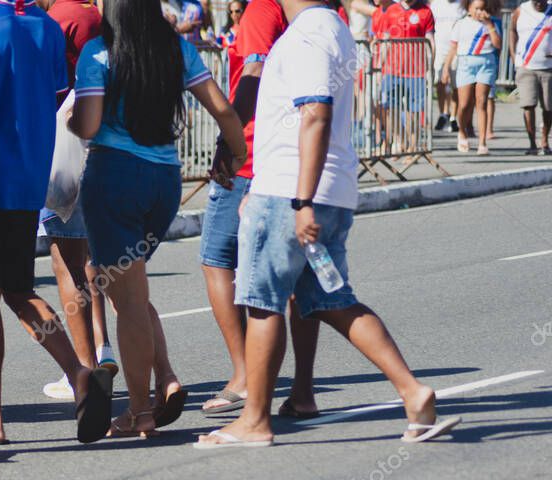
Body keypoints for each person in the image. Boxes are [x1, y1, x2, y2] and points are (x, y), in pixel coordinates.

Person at [197, 0, 460, 448]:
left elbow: (314, 114)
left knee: (263, 302)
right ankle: (413, 392)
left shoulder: (308, 33)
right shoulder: (329, 27)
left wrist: (300, 200)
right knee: (332, 301)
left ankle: (254, 420)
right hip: (316, 187)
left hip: (293, 190)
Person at [0, 0, 114, 446]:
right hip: (28, 180)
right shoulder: (47, 27)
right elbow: (56, 102)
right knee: (19, 291)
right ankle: (79, 374)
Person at [69, 0, 246, 437]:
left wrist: (70, 119)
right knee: (133, 291)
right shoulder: (176, 50)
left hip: (113, 178)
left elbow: (89, 126)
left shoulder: (98, 53)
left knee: (127, 301)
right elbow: (223, 110)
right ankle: (162, 381)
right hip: (164, 181)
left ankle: (139, 412)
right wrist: (239, 154)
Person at [201, 0, 324, 420]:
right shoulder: (318, 15)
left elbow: (251, 75)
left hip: (252, 158)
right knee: (300, 280)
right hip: (300, 159)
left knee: (218, 258)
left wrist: (228, 143)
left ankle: (244, 377)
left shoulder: (261, 12)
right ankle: (303, 390)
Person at [36, 0, 118, 402]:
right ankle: (101, 351)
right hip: (96, 144)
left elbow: (50, 84)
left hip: (68, 146)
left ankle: (83, 372)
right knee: (87, 259)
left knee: (67, 261)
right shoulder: (88, 13)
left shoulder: (62, 16)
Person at [441, 0, 502, 155]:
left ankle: (482, 142)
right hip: (466, 63)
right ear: (469, 8)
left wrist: (489, 26)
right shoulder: (461, 24)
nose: (479, 12)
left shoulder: (491, 24)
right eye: (476, 8)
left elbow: (498, 44)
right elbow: (453, 48)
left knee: (481, 102)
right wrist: (446, 68)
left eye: (482, 9)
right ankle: (462, 132)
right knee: (465, 104)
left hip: (486, 63)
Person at [375, 0, 435, 154]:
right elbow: (385, 41)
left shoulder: (425, 11)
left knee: (412, 112)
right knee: (389, 108)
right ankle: (399, 139)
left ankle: (412, 148)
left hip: (416, 71)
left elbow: (430, 42)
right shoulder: (391, 10)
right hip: (392, 69)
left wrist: (430, 67)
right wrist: (378, 68)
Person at [511, 0, 552, 154]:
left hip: (549, 68)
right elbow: (512, 30)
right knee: (528, 105)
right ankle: (532, 144)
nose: (539, 4)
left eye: (542, 1)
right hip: (526, 67)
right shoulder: (521, 10)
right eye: (536, 1)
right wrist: (513, 55)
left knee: (548, 108)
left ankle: (545, 141)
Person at [433, 0, 465, 131]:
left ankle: (453, 116)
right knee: (440, 82)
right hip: (440, 48)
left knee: (455, 85)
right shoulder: (435, 4)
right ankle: (443, 113)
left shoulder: (462, 5)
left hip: (457, 48)